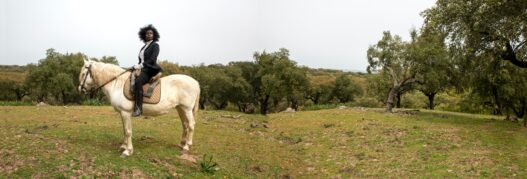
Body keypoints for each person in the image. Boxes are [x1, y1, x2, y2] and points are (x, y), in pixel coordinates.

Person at [132, 24, 162, 117]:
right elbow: (141, 60)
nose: (149, 34)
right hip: (143, 68)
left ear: (154, 35)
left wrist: (140, 65)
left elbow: (152, 60)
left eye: (151, 33)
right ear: (144, 35)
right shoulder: (143, 47)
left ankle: (138, 108)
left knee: (138, 82)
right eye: (147, 33)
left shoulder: (155, 45)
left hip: (150, 69)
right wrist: (136, 65)